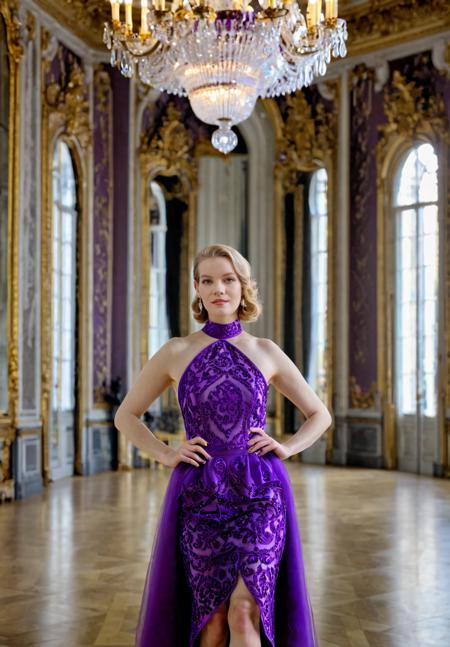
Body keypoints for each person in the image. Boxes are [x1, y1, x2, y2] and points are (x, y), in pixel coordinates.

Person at [114, 244, 332, 647]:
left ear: (243, 287)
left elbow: (320, 414)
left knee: (246, 611)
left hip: (260, 494)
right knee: (212, 620)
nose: (219, 289)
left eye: (229, 279)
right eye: (209, 280)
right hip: (200, 495)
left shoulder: (265, 351)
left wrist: (287, 447)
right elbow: (125, 415)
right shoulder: (176, 350)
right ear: (197, 288)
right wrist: (165, 452)